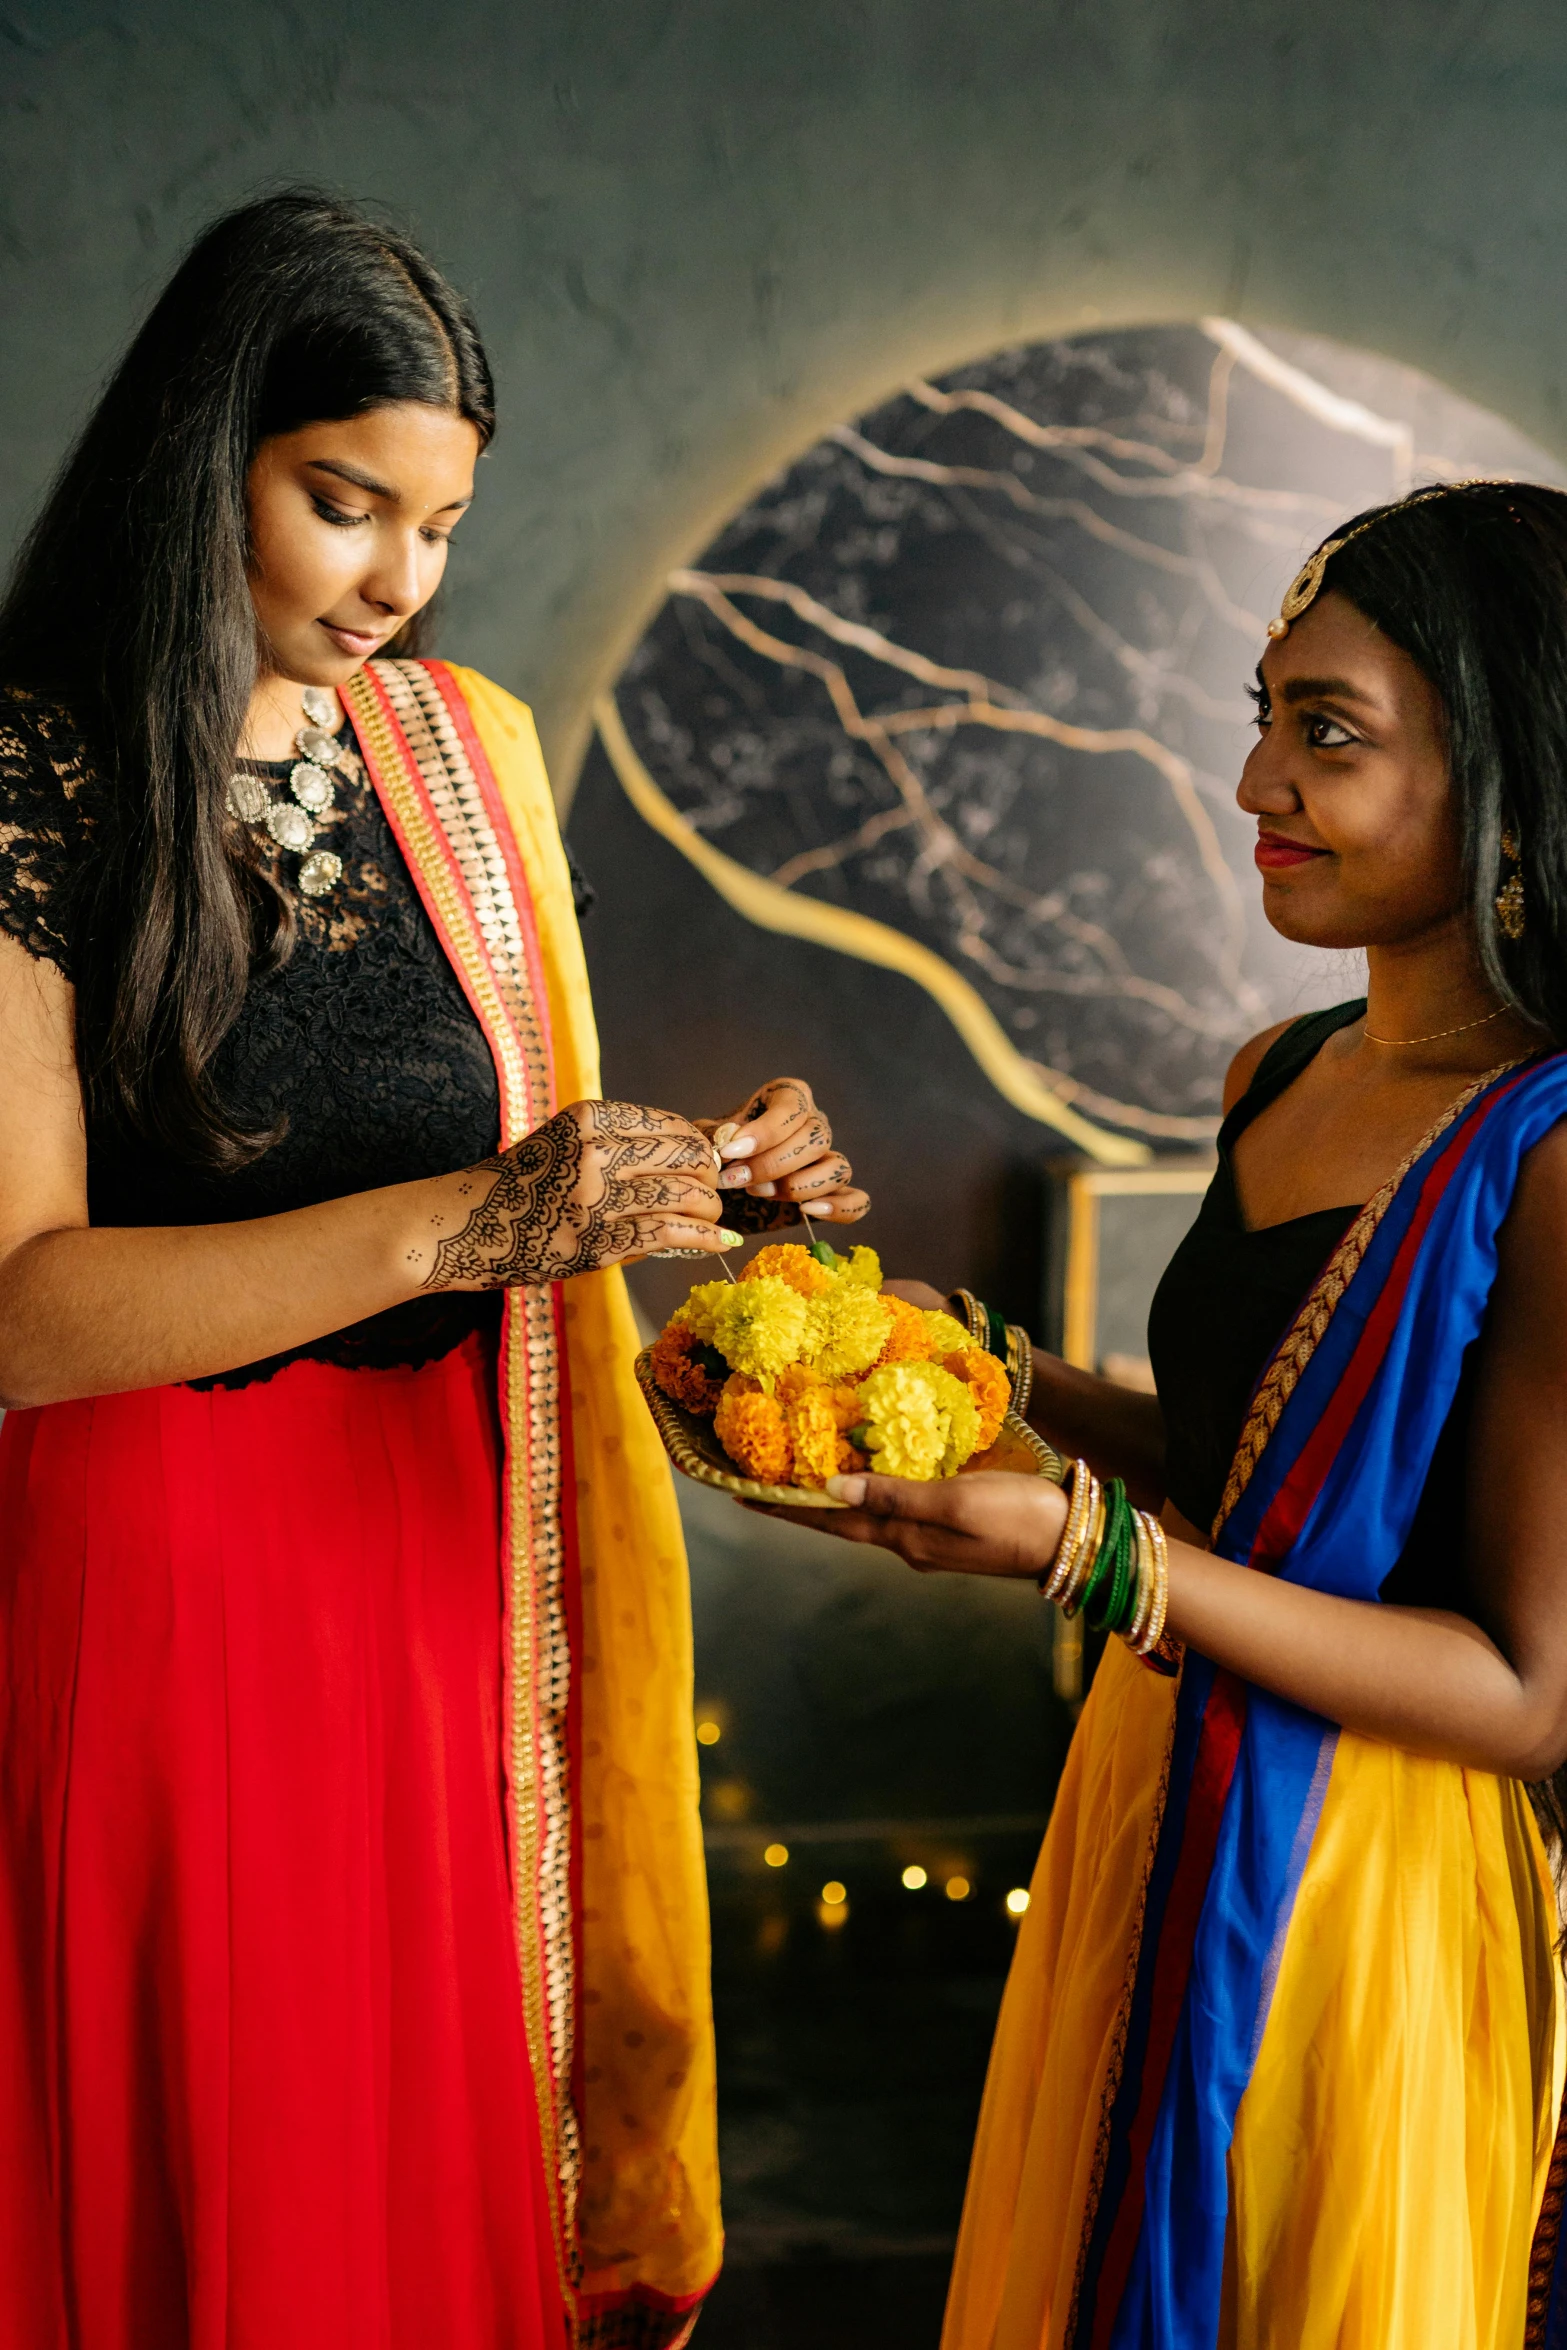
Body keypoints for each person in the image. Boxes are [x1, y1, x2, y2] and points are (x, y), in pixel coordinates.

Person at [0, 190, 868, 2350]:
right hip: (169, 1584)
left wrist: (687, 1179)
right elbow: (22, 1307)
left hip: (437, 1575)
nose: (400, 579)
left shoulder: (455, 754)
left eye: (443, 524)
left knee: (409, 2190)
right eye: (342, 504)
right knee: (228, 2178)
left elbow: (492, 1143)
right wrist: (479, 1223)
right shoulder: (34, 768)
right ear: (208, 457)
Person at [786, 480, 1567, 2349]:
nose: (1253, 789)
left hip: (1363, 1883)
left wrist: (1079, 1546)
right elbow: (1261, 1468)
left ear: (1512, 781)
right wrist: (996, 1375)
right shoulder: (1279, 1070)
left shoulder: (1544, 1147)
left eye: (1330, 736)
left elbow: (1528, 1688)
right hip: (1149, 1793)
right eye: (1264, 716)